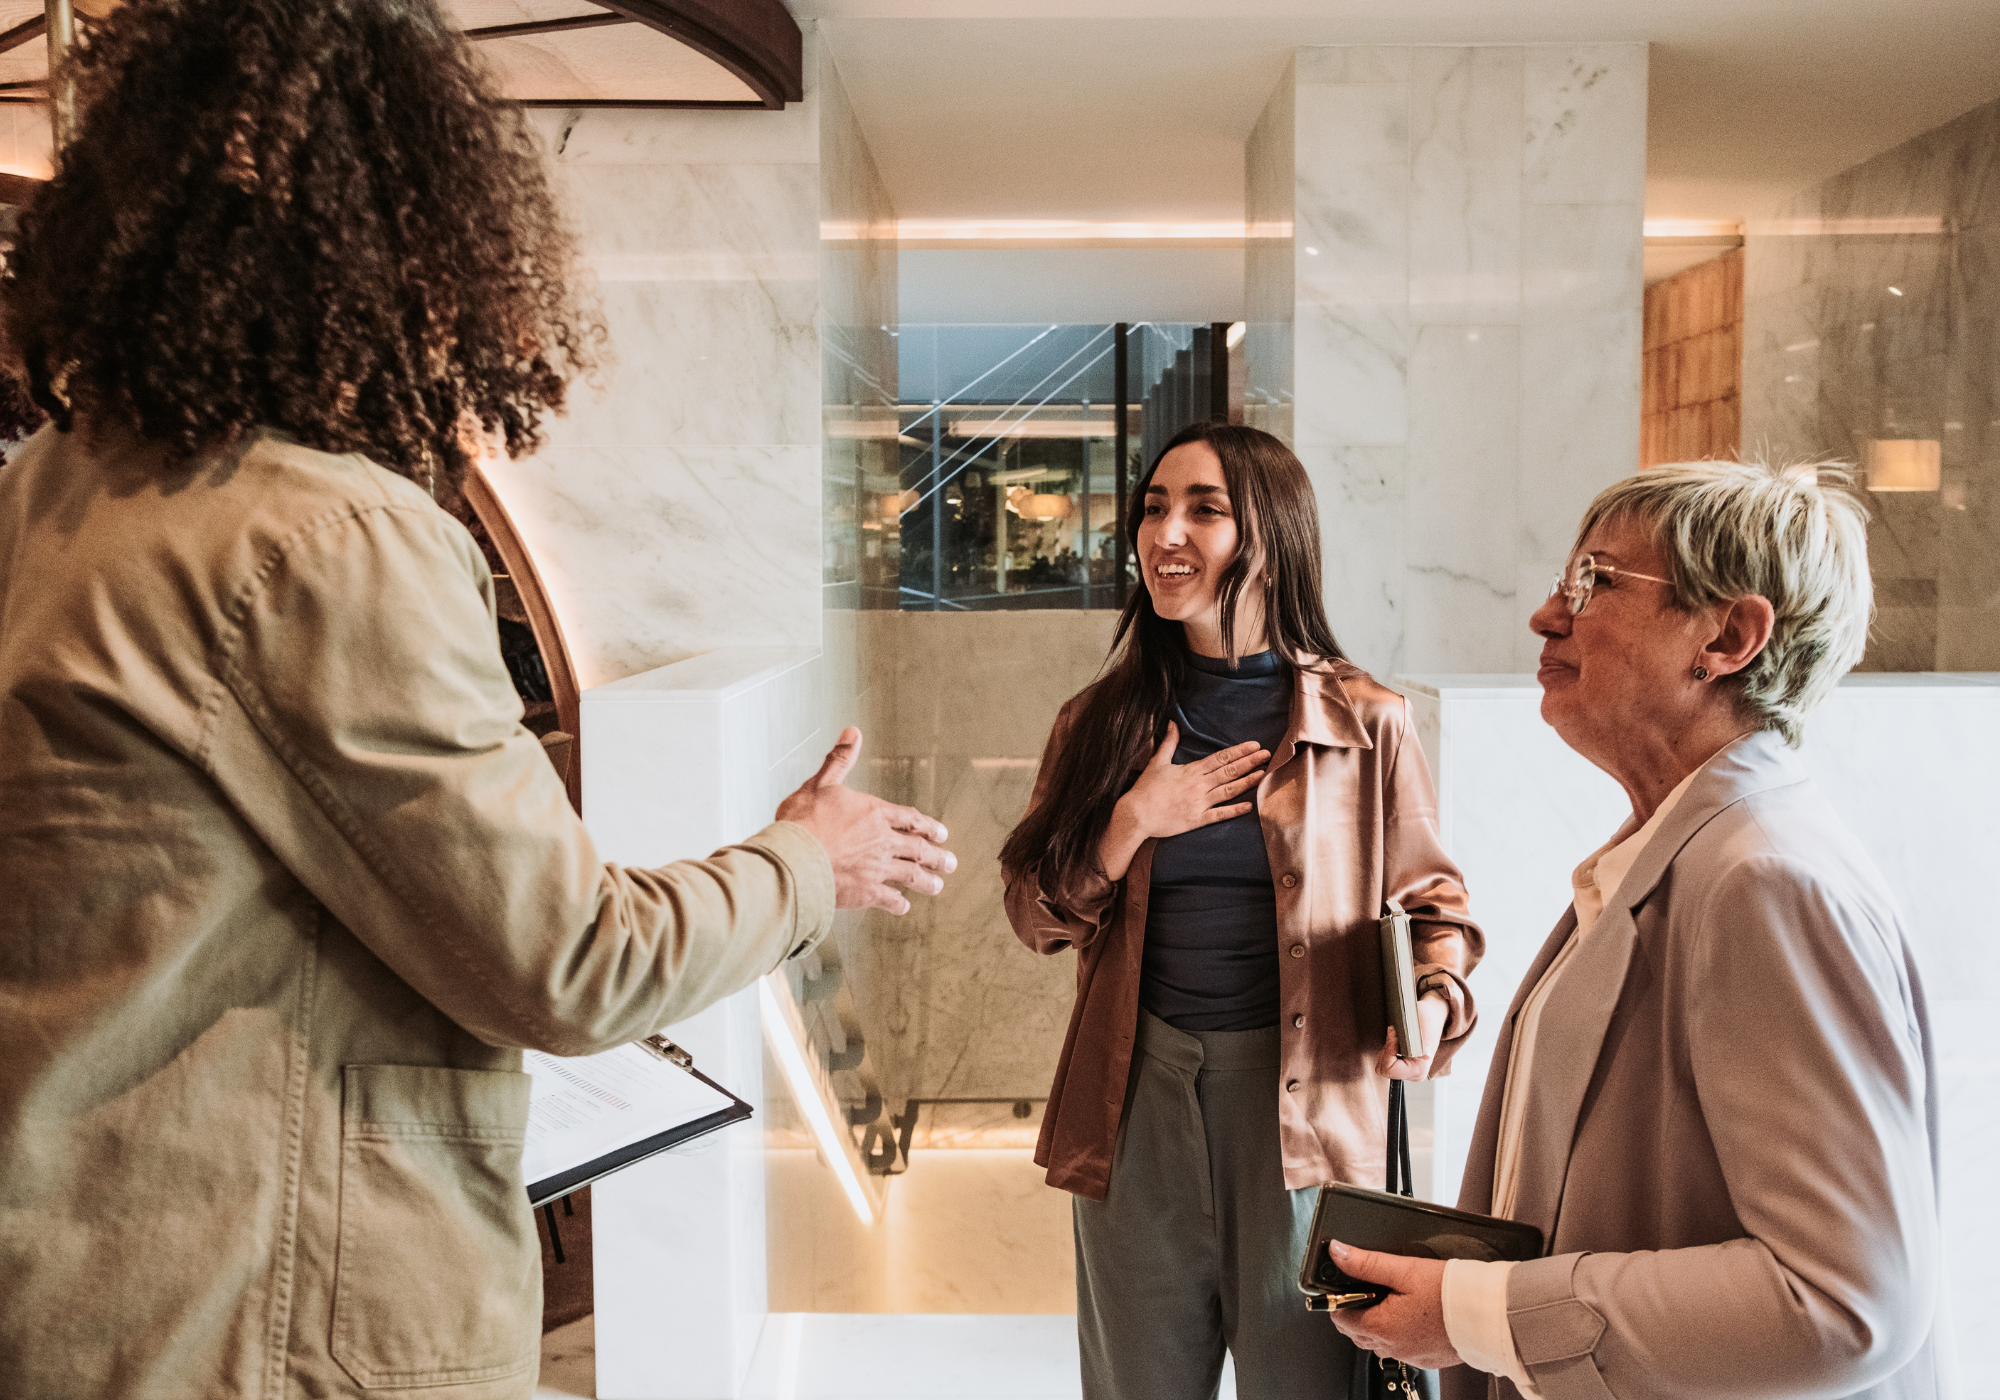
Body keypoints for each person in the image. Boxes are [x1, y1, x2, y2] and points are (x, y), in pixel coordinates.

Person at [0, 4, 953, 1397]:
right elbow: (578, 963)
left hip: (98, 1288)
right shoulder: (320, 540)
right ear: (411, 239)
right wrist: (814, 856)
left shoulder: (46, 493)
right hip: (256, 1323)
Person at [1329, 459, 1950, 1400]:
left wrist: (1478, 1314)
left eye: (1596, 582)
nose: (1547, 615)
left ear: (1730, 636)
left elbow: (1843, 1300)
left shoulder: (1765, 879)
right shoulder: (1676, 854)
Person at [1001, 421, 1482, 1400]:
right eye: (1151, 507)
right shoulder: (1100, 722)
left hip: (1307, 1115)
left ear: (1272, 533)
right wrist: (1131, 821)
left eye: (1202, 509)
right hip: (1136, 1102)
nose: (1163, 532)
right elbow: (1033, 912)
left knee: (1307, 1379)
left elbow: (1436, 907)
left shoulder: (1365, 718)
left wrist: (1432, 1004)